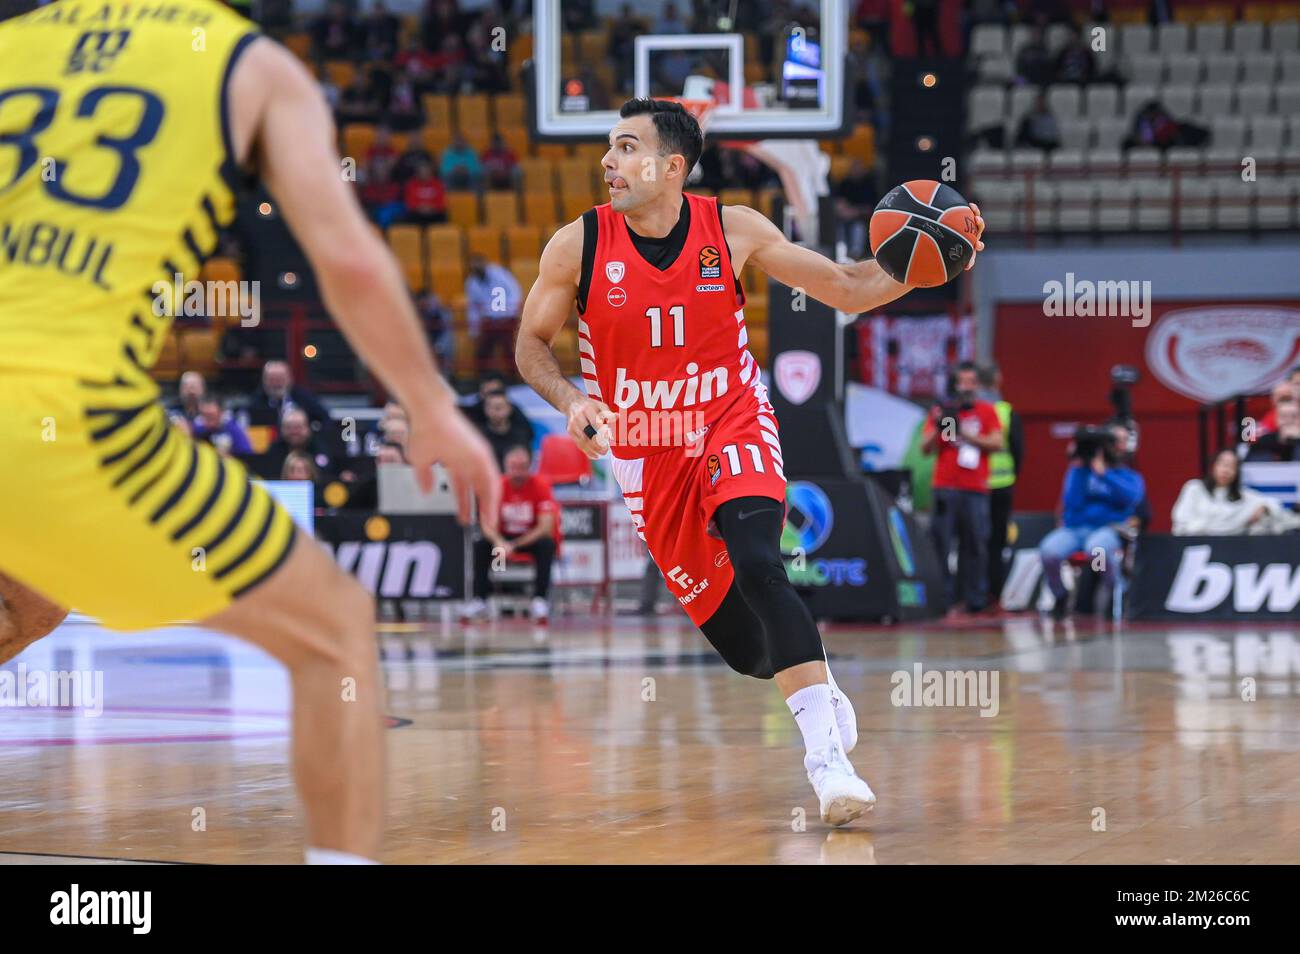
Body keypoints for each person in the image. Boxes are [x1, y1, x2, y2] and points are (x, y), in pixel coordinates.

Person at [0, 0, 499, 865]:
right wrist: (431, 404)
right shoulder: (246, 62)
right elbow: (343, 255)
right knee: (336, 630)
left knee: (27, 606)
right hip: (69, 420)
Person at [514, 98, 986, 826]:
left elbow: (851, 288)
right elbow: (530, 346)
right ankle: (818, 689)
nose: (607, 162)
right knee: (746, 649)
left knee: (761, 562)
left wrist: (930, 260)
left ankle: (828, 763)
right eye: (607, 147)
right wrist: (572, 400)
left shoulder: (731, 229)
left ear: (672, 167)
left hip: (730, 418)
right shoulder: (576, 245)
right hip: (645, 448)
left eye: (624, 146)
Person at [921, 362, 1003, 617]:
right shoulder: (942, 410)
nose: (966, 387)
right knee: (941, 544)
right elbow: (925, 448)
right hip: (945, 487)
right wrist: (940, 424)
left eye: (971, 381)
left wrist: (965, 433)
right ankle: (942, 599)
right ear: (955, 384)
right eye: (962, 381)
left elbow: (997, 443)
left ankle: (974, 599)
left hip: (974, 489)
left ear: (977, 384)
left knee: (975, 544)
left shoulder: (987, 411)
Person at [1039, 429, 1145, 621]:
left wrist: (1104, 474)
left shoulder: (1126, 475)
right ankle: (1060, 595)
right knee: (1049, 552)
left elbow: (1132, 498)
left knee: (1096, 551)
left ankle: (1114, 589)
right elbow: (1071, 502)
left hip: (1108, 528)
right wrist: (1079, 468)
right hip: (1076, 529)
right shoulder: (1078, 472)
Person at [463, 445, 558, 623]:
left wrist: (514, 545)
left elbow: (546, 527)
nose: (518, 472)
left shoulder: (541, 486)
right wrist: (500, 542)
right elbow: (486, 523)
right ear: (506, 466)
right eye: (514, 467)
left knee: (547, 544)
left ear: (530, 466)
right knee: (481, 544)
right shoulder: (496, 486)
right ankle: (480, 600)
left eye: (522, 467)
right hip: (502, 539)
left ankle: (539, 600)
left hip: (529, 538)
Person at [1173, 450, 1300, 535]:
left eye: (1231, 467)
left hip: (1232, 549)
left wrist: (1265, 508)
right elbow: (1182, 525)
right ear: (1213, 466)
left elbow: (1272, 504)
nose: (1226, 470)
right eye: (1222, 464)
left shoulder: (1243, 496)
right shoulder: (1194, 488)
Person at [978, 362, 1022, 609]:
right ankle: (993, 596)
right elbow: (1018, 450)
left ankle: (970, 596)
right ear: (998, 380)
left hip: (975, 486)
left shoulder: (964, 412)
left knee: (973, 542)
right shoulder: (1006, 411)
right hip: (998, 484)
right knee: (995, 542)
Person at [465, 253, 523, 378]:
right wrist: (473, 329)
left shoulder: (500, 274)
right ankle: (481, 378)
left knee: (509, 350)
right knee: (483, 350)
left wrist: (509, 313)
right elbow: (473, 307)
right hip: (489, 320)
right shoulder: (472, 283)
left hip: (507, 318)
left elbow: (515, 292)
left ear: (485, 264)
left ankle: (514, 378)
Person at [477, 391, 535, 468]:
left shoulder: (521, 434)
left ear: (509, 408)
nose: (496, 411)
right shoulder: (478, 435)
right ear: (486, 409)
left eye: (499, 407)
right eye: (492, 407)